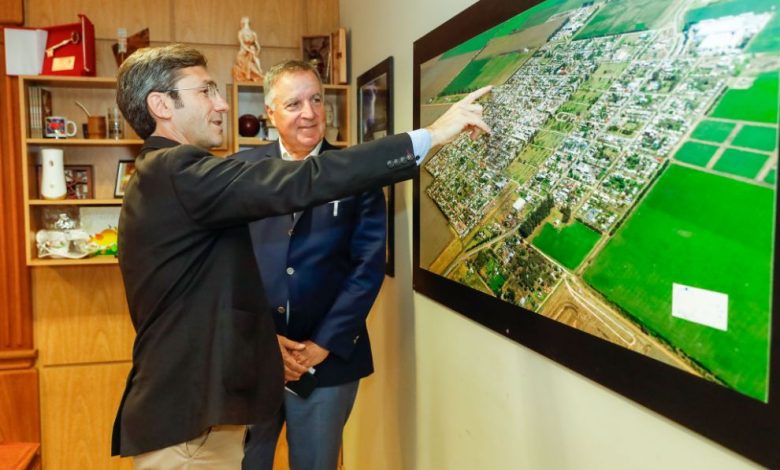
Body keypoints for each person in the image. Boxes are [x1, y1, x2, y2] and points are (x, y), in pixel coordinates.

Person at [110, 43, 490, 469]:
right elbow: (307, 179)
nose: (221, 104)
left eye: (316, 100)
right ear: (161, 105)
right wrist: (430, 136)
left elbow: (220, 287)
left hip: (208, 409)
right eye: (206, 91)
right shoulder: (177, 171)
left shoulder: (164, 173)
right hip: (191, 425)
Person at [235, 60, 380, 470]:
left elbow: (367, 268)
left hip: (328, 362)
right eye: (294, 103)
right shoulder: (241, 171)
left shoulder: (356, 173)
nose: (310, 113)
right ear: (270, 112)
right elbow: (227, 265)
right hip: (253, 356)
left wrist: (319, 347)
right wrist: (264, 339)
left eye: (316, 100)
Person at [232, 16, 263, 82]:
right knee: (250, 61)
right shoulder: (241, 32)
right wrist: (251, 51)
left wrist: (256, 51)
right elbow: (243, 45)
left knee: (252, 58)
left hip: (249, 52)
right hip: (243, 53)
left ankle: (259, 72)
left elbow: (258, 46)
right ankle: (259, 74)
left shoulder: (252, 33)